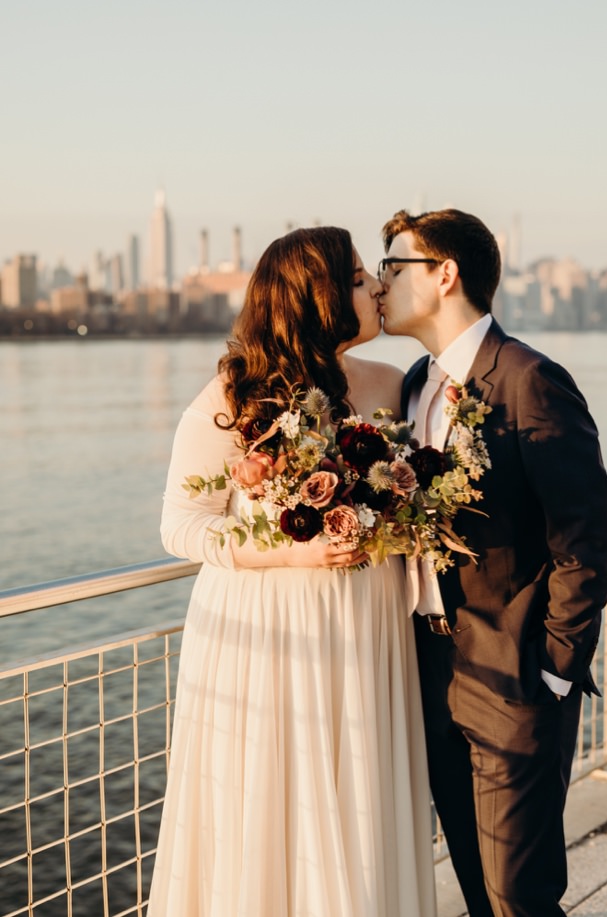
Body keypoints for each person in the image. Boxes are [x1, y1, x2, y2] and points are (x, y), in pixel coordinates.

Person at [152, 227, 437, 915]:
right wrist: (293, 549)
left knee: (359, 804)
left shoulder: (396, 387)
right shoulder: (235, 393)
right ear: (320, 295)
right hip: (266, 637)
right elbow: (181, 526)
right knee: (270, 812)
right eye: (360, 276)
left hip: (365, 629)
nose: (376, 286)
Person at [376, 208, 607, 917]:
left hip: (515, 679)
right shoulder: (413, 385)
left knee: (520, 897)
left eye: (393, 266)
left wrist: (554, 667)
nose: (382, 282)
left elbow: (585, 535)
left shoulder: (529, 380)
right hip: (433, 672)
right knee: (479, 893)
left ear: (444, 274)